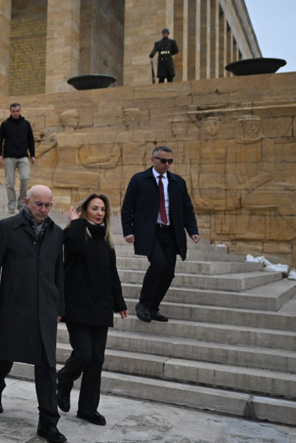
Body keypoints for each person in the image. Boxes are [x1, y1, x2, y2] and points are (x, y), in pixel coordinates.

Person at [0, 185, 66, 443]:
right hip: (13, 304)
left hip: (45, 308)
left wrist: (59, 307)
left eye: (48, 205)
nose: (43, 210)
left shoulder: (57, 233)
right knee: (5, 354)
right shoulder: (7, 227)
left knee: (47, 365)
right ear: (26, 201)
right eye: (38, 204)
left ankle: (48, 421)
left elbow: (58, 273)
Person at [57, 193, 128, 427]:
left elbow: (112, 274)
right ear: (85, 210)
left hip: (101, 306)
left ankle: (88, 409)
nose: (99, 213)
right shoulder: (75, 233)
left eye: (102, 209)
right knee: (84, 353)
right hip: (77, 305)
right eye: (94, 208)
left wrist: (120, 303)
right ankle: (64, 380)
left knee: (96, 360)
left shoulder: (106, 240)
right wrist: (75, 221)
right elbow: (74, 249)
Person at [121, 146, 199, 323]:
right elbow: (127, 208)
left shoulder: (177, 182)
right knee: (158, 263)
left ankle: (153, 307)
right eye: (163, 161)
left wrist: (193, 231)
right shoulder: (139, 180)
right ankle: (143, 304)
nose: (166, 164)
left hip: (171, 233)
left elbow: (187, 209)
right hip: (150, 232)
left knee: (169, 272)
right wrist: (128, 231)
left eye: (170, 161)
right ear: (152, 160)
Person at [0, 103, 37, 214]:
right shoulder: (5, 124)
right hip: (9, 157)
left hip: (23, 156)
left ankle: (22, 204)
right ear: (10, 111)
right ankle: (11, 206)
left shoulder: (26, 124)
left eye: (17, 111)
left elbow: (30, 140)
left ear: (20, 110)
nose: (15, 113)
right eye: (13, 111)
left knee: (25, 178)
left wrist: (32, 155)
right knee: (10, 183)